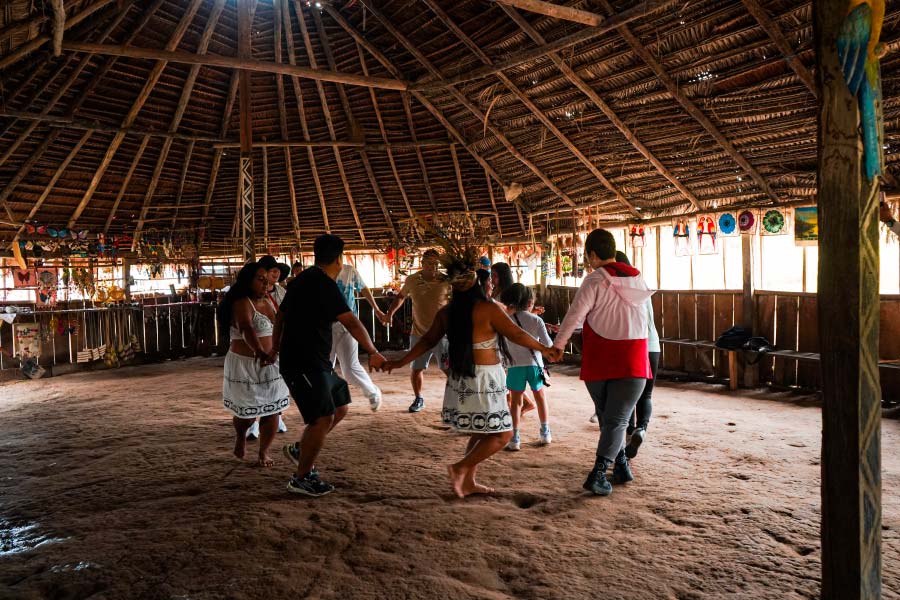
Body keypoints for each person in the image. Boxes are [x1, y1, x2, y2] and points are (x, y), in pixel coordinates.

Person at [384, 252, 559, 498]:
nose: (491, 286)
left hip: (462, 377)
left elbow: (426, 341)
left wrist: (400, 362)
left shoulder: (448, 311)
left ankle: (468, 481)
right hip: (484, 379)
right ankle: (460, 468)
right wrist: (545, 349)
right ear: (477, 284)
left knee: (480, 431)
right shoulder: (488, 308)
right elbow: (516, 334)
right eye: (487, 282)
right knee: (503, 434)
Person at [271, 235, 386, 497]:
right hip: (303, 362)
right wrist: (373, 352)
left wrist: (275, 347)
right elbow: (352, 322)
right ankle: (301, 478)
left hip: (314, 360)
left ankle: (301, 450)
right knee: (322, 417)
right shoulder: (324, 284)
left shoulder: (301, 280)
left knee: (340, 404)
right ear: (339, 259)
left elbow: (280, 316)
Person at [553, 229, 653, 497]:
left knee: (611, 419)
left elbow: (574, 316)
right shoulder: (638, 279)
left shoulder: (594, 279)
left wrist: (558, 345)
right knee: (616, 420)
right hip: (633, 358)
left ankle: (599, 474)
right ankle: (620, 466)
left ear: (593, 255)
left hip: (599, 359)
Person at [219, 262, 291, 467]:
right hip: (245, 366)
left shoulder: (269, 301)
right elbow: (246, 328)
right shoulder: (241, 303)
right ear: (248, 281)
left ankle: (263, 452)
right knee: (247, 414)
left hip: (272, 364)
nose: (265, 283)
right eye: (260, 279)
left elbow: (281, 327)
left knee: (273, 409)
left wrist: (277, 351)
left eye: (266, 280)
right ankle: (241, 436)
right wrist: (259, 351)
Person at [381, 249, 451, 413]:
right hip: (419, 333)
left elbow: (455, 302)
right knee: (416, 368)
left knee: (449, 369)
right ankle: (418, 398)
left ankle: (454, 399)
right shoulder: (412, 280)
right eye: (429, 263)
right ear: (422, 263)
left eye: (436, 263)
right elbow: (400, 297)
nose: (433, 267)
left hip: (441, 334)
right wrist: (390, 313)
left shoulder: (446, 281)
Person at [500, 283, 553, 451]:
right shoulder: (536, 320)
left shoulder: (506, 320)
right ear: (529, 302)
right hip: (534, 365)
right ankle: (545, 433)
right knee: (540, 398)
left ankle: (515, 438)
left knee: (516, 402)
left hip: (515, 366)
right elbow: (548, 344)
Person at [331, 262, 385, 411]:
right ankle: (328, 401)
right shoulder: (318, 273)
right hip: (325, 327)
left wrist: (377, 309)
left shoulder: (349, 271)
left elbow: (363, 288)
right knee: (325, 366)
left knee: (349, 369)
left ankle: (373, 392)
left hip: (348, 324)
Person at [246, 255, 289, 439]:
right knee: (255, 384)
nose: (275, 274)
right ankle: (253, 423)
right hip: (257, 344)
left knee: (276, 382)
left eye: (277, 271)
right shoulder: (250, 296)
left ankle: (276, 416)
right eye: (272, 271)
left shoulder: (281, 292)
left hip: (277, 341)